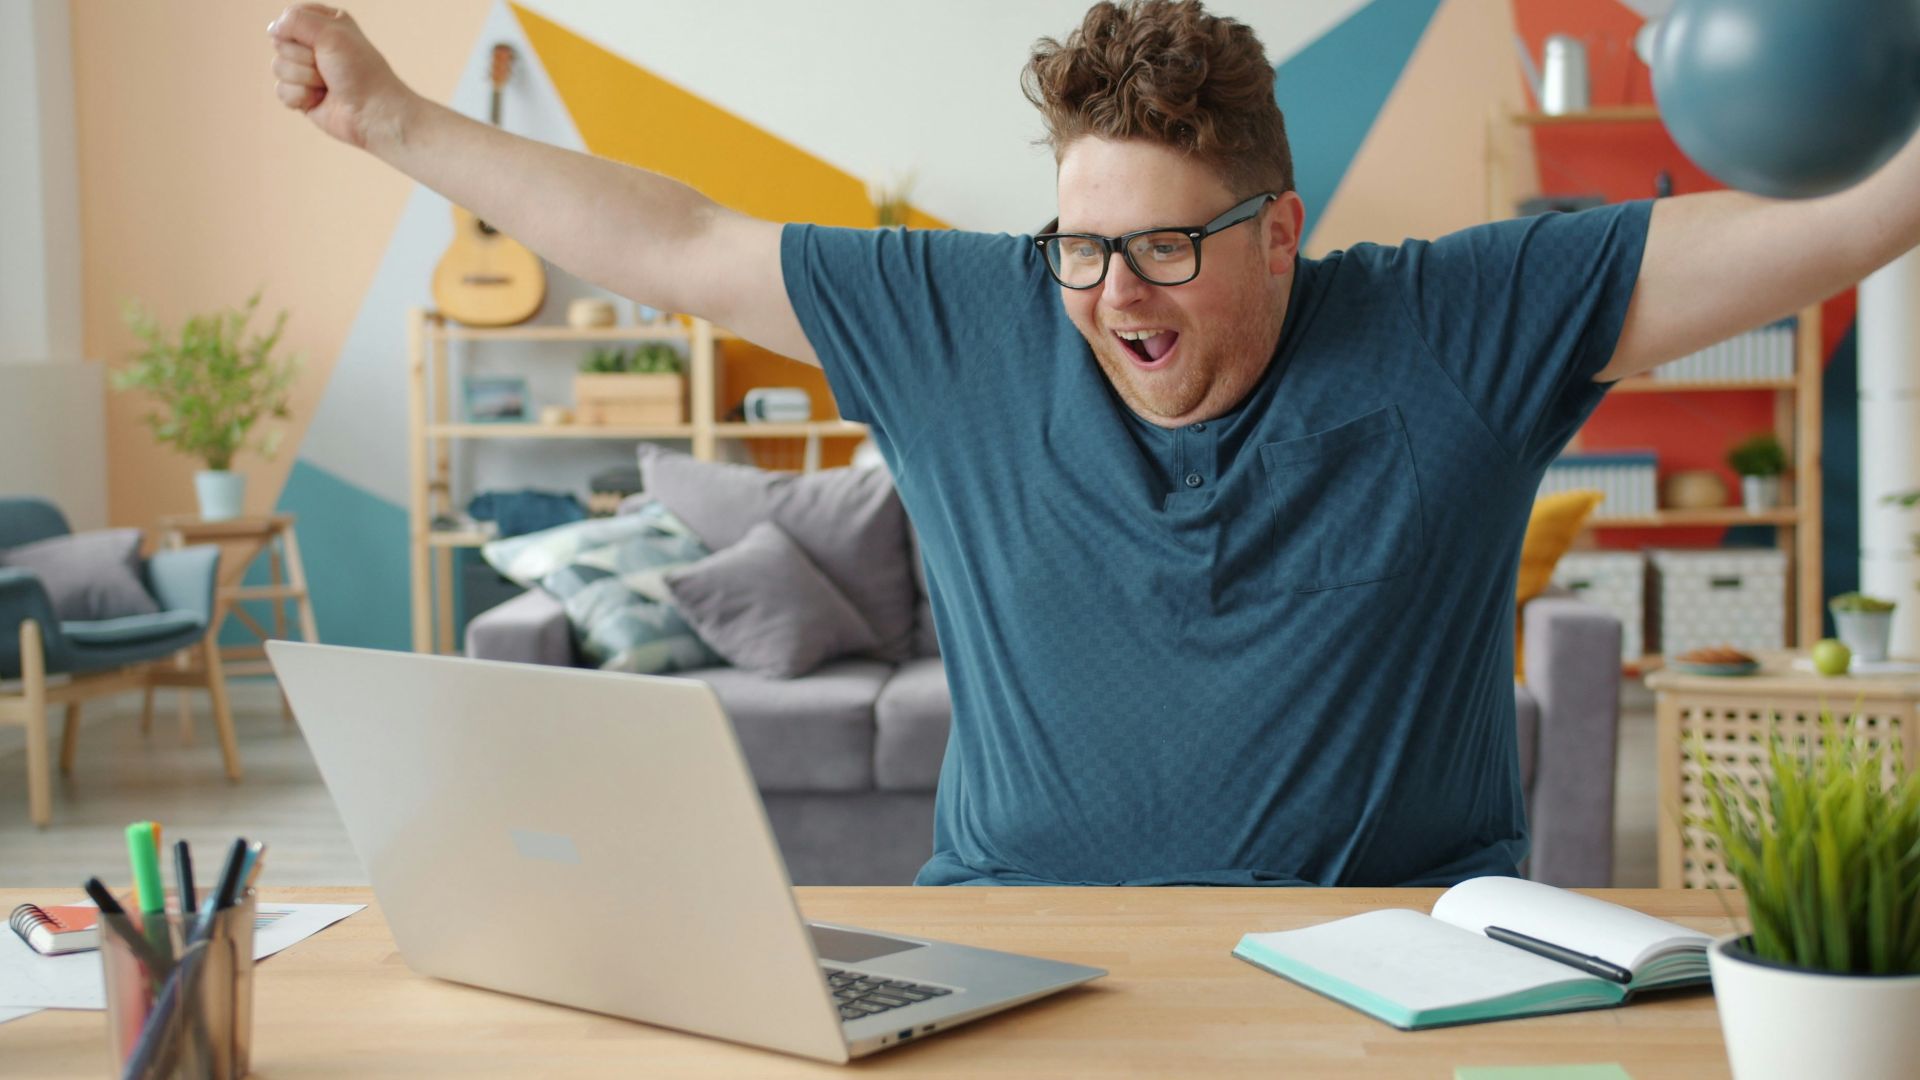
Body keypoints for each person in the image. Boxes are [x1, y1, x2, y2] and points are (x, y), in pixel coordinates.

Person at [269, 1, 1920, 886]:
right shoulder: (973, 318)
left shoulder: (1458, 322)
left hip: (1392, 970)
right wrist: (390, 121)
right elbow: (685, 238)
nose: (1109, 294)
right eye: (1080, 245)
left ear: (1280, 233)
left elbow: (1828, 234)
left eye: (1164, 249)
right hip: (1019, 959)